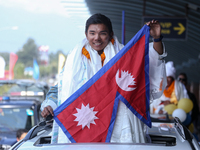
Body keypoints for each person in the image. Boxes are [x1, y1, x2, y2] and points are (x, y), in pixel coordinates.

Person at [41, 13, 167, 143]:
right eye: (92, 33)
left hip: (120, 129)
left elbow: (148, 70)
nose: (97, 38)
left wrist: (156, 39)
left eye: (102, 33)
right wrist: (49, 105)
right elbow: (61, 88)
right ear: (86, 34)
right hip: (87, 125)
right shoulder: (74, 60)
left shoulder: (124, 56)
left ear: (111, 34)